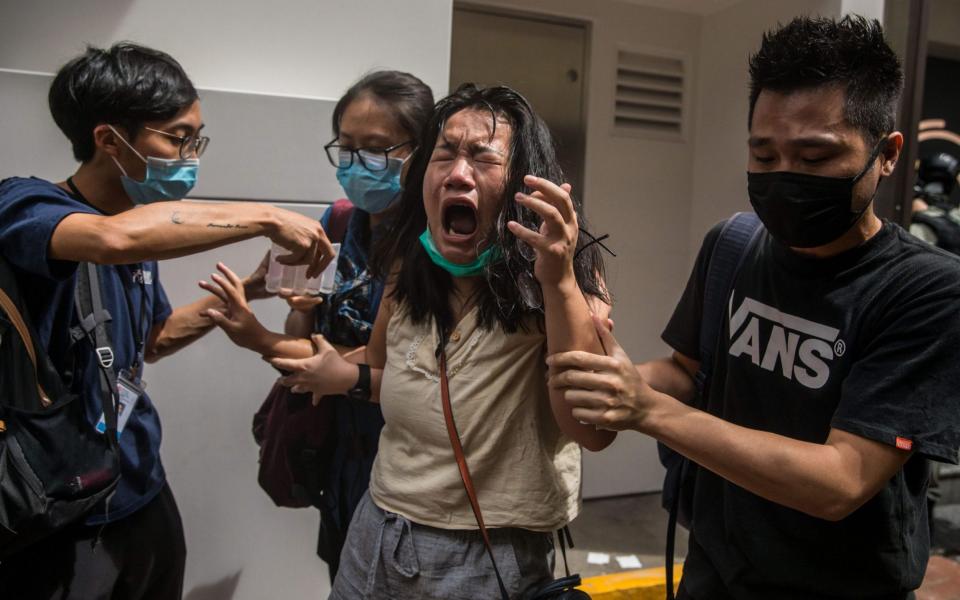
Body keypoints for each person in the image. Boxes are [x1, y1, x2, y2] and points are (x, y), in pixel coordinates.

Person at [548, 16, 960, 600]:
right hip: (715, 571)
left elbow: (841, 481)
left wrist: (646, 410)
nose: (785, 176)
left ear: (887, 154)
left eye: (815, 158)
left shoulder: (925, 291)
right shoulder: (735, 245)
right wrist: (611, 382)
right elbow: (689, 373)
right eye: (764, 157)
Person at [206, 84, 614, 599]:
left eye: (482, 158)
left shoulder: (568, 274)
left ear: (525, 186)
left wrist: (557, 282)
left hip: (485, 551)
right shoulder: (407, 265)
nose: (458, 173)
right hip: (376, 527)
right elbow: (379, 367)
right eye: (444, 154)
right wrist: (270, 338)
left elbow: (592, 430)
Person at [0, 42, 333, 599]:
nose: (190, 154)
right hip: (59, 508)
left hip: (139, 486)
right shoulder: (25, 205)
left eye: (196, 137)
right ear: (108, 140)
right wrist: (267, 216)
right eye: (178, 137)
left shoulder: (141, 228)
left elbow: (154, 339)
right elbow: (109, 240)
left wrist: (248, 289)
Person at [268, 70, 434, 579]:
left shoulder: (437, 244)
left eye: (377, 149)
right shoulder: (337, 221)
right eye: (346, 148)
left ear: (421, 151)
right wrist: (298, 309)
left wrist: (256, 339)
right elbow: (302, 334)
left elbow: (425, 371)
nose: (357, 163)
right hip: (340, 453)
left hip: (410, 469)